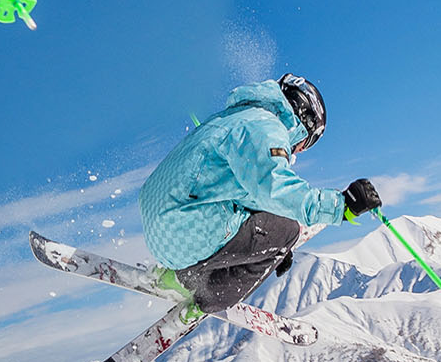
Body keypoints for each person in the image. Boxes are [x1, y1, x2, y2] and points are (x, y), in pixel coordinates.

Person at [138, 73, 384, 326]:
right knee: (289, 230)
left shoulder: (234, 118)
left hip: (161, 226)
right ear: (303, 121)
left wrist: (267, 248)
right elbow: (274, 187)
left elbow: (247, 191)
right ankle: (198, 294)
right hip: (187, 231)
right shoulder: (265, 126)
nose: (298, 150)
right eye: (305, 143)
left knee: (277, 232)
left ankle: (179, 274)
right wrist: (342, 206)